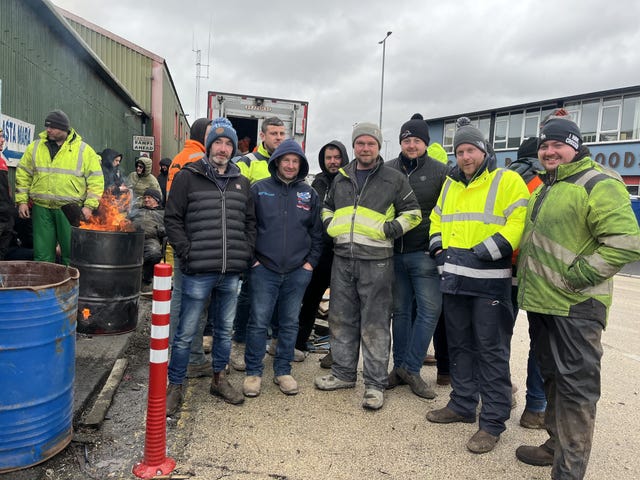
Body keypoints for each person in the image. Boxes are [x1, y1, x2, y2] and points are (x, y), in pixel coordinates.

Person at [515, 118, 640, 479]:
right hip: (543, 303)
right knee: (553, 378)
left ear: (576, 145)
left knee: (577, 388)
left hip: (577, 305)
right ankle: (554, 447)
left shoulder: (599, 183)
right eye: (544, 146)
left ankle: (569, 471)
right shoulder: (546, 186)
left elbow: (625, 242)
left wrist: (577, 278)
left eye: (558, 145)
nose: (549, 151)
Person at [426, 118, 529, 454]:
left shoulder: (507, 180)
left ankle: (493, 422)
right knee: (459, 347)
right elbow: (437, 217)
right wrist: (438, 248)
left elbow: (518, 221)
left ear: (484, 151)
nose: (465, 157)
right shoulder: (451, 184)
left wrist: (487, 251)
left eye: (470, 150)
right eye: (459, 151)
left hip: (489, 284)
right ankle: (462, 404)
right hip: (454, 280)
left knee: (491, 352)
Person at [314, 122, 422, 410]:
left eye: (370, 144)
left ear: (378, 146)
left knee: (374, 324)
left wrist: (388, 230)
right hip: (343, 260)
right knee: (340, 319)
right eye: (360, 143)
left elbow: (413, 214)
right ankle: (343, 374)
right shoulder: (342, 177)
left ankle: (374, 385)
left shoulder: (393, 178)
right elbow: (326, 207)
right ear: (354, 146)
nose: (365, 148)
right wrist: (331, 226)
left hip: (376, 262)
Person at [164, 117, 256, 415]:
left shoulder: (242, 182)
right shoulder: (188, 177)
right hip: (198, 270)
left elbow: (250, 222)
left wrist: (244, 253)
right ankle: (175, 385)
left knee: (224, 330)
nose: (223, 148)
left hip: (230, 272)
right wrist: (186, 252)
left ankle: (218, 379)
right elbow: (172, 219)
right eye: (218, 142)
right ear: (208, 146)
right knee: (186, 332)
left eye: (229, 143)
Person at [243, 139, 323, 397]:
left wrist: (310, 263)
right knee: (258, 322)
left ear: (301, 164)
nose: (290, 165)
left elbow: (317, 233)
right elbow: (248, 227)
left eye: (295, 161)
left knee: (289, 323)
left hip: (297, 271)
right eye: (285, 160)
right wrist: (252, 260)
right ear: (276, 161)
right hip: (263, 268)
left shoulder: (308, 194)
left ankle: (283, 371)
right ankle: (254, 372)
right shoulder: (259, 190)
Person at [386, 114, 448, 399]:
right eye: (407, 140)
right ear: (401, 141)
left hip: (424, 253)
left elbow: (446, 212)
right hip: (394, 254)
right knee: (400, 312)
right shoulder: (387, 169)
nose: (411, 145)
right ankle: (399, 368)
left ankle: (410, 368)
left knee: (429, 311)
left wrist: (437, 246)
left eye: (417, 140)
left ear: (426, 143)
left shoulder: (440, 171)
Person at [230, 116, 287, 371]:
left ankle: (275, 342)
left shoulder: (287, 163)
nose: (278, 137)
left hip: (278, 244)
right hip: (253, 240)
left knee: (278, 295)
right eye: (273, 133)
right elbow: (235, 197)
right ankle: (240, 343)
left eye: (281, 133)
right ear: (262, 136)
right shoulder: (247, 162)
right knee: (248, 294)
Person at [15, 110, 103, 265]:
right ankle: (44, 287)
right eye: (46, 126)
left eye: (52, 127)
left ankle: (72, 286)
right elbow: (23, 175)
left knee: (71, 254)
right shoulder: (35, 147)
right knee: (42, 255)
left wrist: (89, 206)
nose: (48, 130)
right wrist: (22, 201)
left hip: (69, 210)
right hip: (41, 208)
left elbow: (96, 181)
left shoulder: (84, 151)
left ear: (64, 129)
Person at [166, 118, 213, 377]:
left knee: (180, 298)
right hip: (192, 240)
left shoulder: (179, 156)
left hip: (180, 238)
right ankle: (192, 358)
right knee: (192, 303)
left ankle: (181, 350)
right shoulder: (198, 159)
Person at [295, 140, 349, 363]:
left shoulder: (350, 181)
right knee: (310, 301)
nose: (333, 162)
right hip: (319, 253)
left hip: (343, 253)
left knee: (340, 307)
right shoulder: (315, 184)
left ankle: (336, 353)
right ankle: (297, 344)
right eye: (329, 158)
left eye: (337, 157)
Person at [508, 136, 546, 429]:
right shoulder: (550, 181)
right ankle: (534, 408)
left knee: (496, 338)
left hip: (505, 268)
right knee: (541, 342)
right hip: (540, 273)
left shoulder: (506, 179)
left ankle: (501, 391)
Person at [129, 188, 165, 293]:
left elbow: (170, 228)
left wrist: (161, 230)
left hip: (150, 239)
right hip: (132, 239)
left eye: (149, 197)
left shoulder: (162, 213)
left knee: (154, 253)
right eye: (145, 197)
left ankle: (146, 279)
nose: (146, 200)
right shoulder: (137, 211)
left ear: (157, 200)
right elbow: (125, 220)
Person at [0, 127, 14, 260]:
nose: (2, 140)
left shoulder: (3, 162)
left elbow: (7, 189)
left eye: (2, 136)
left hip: (6, 218)